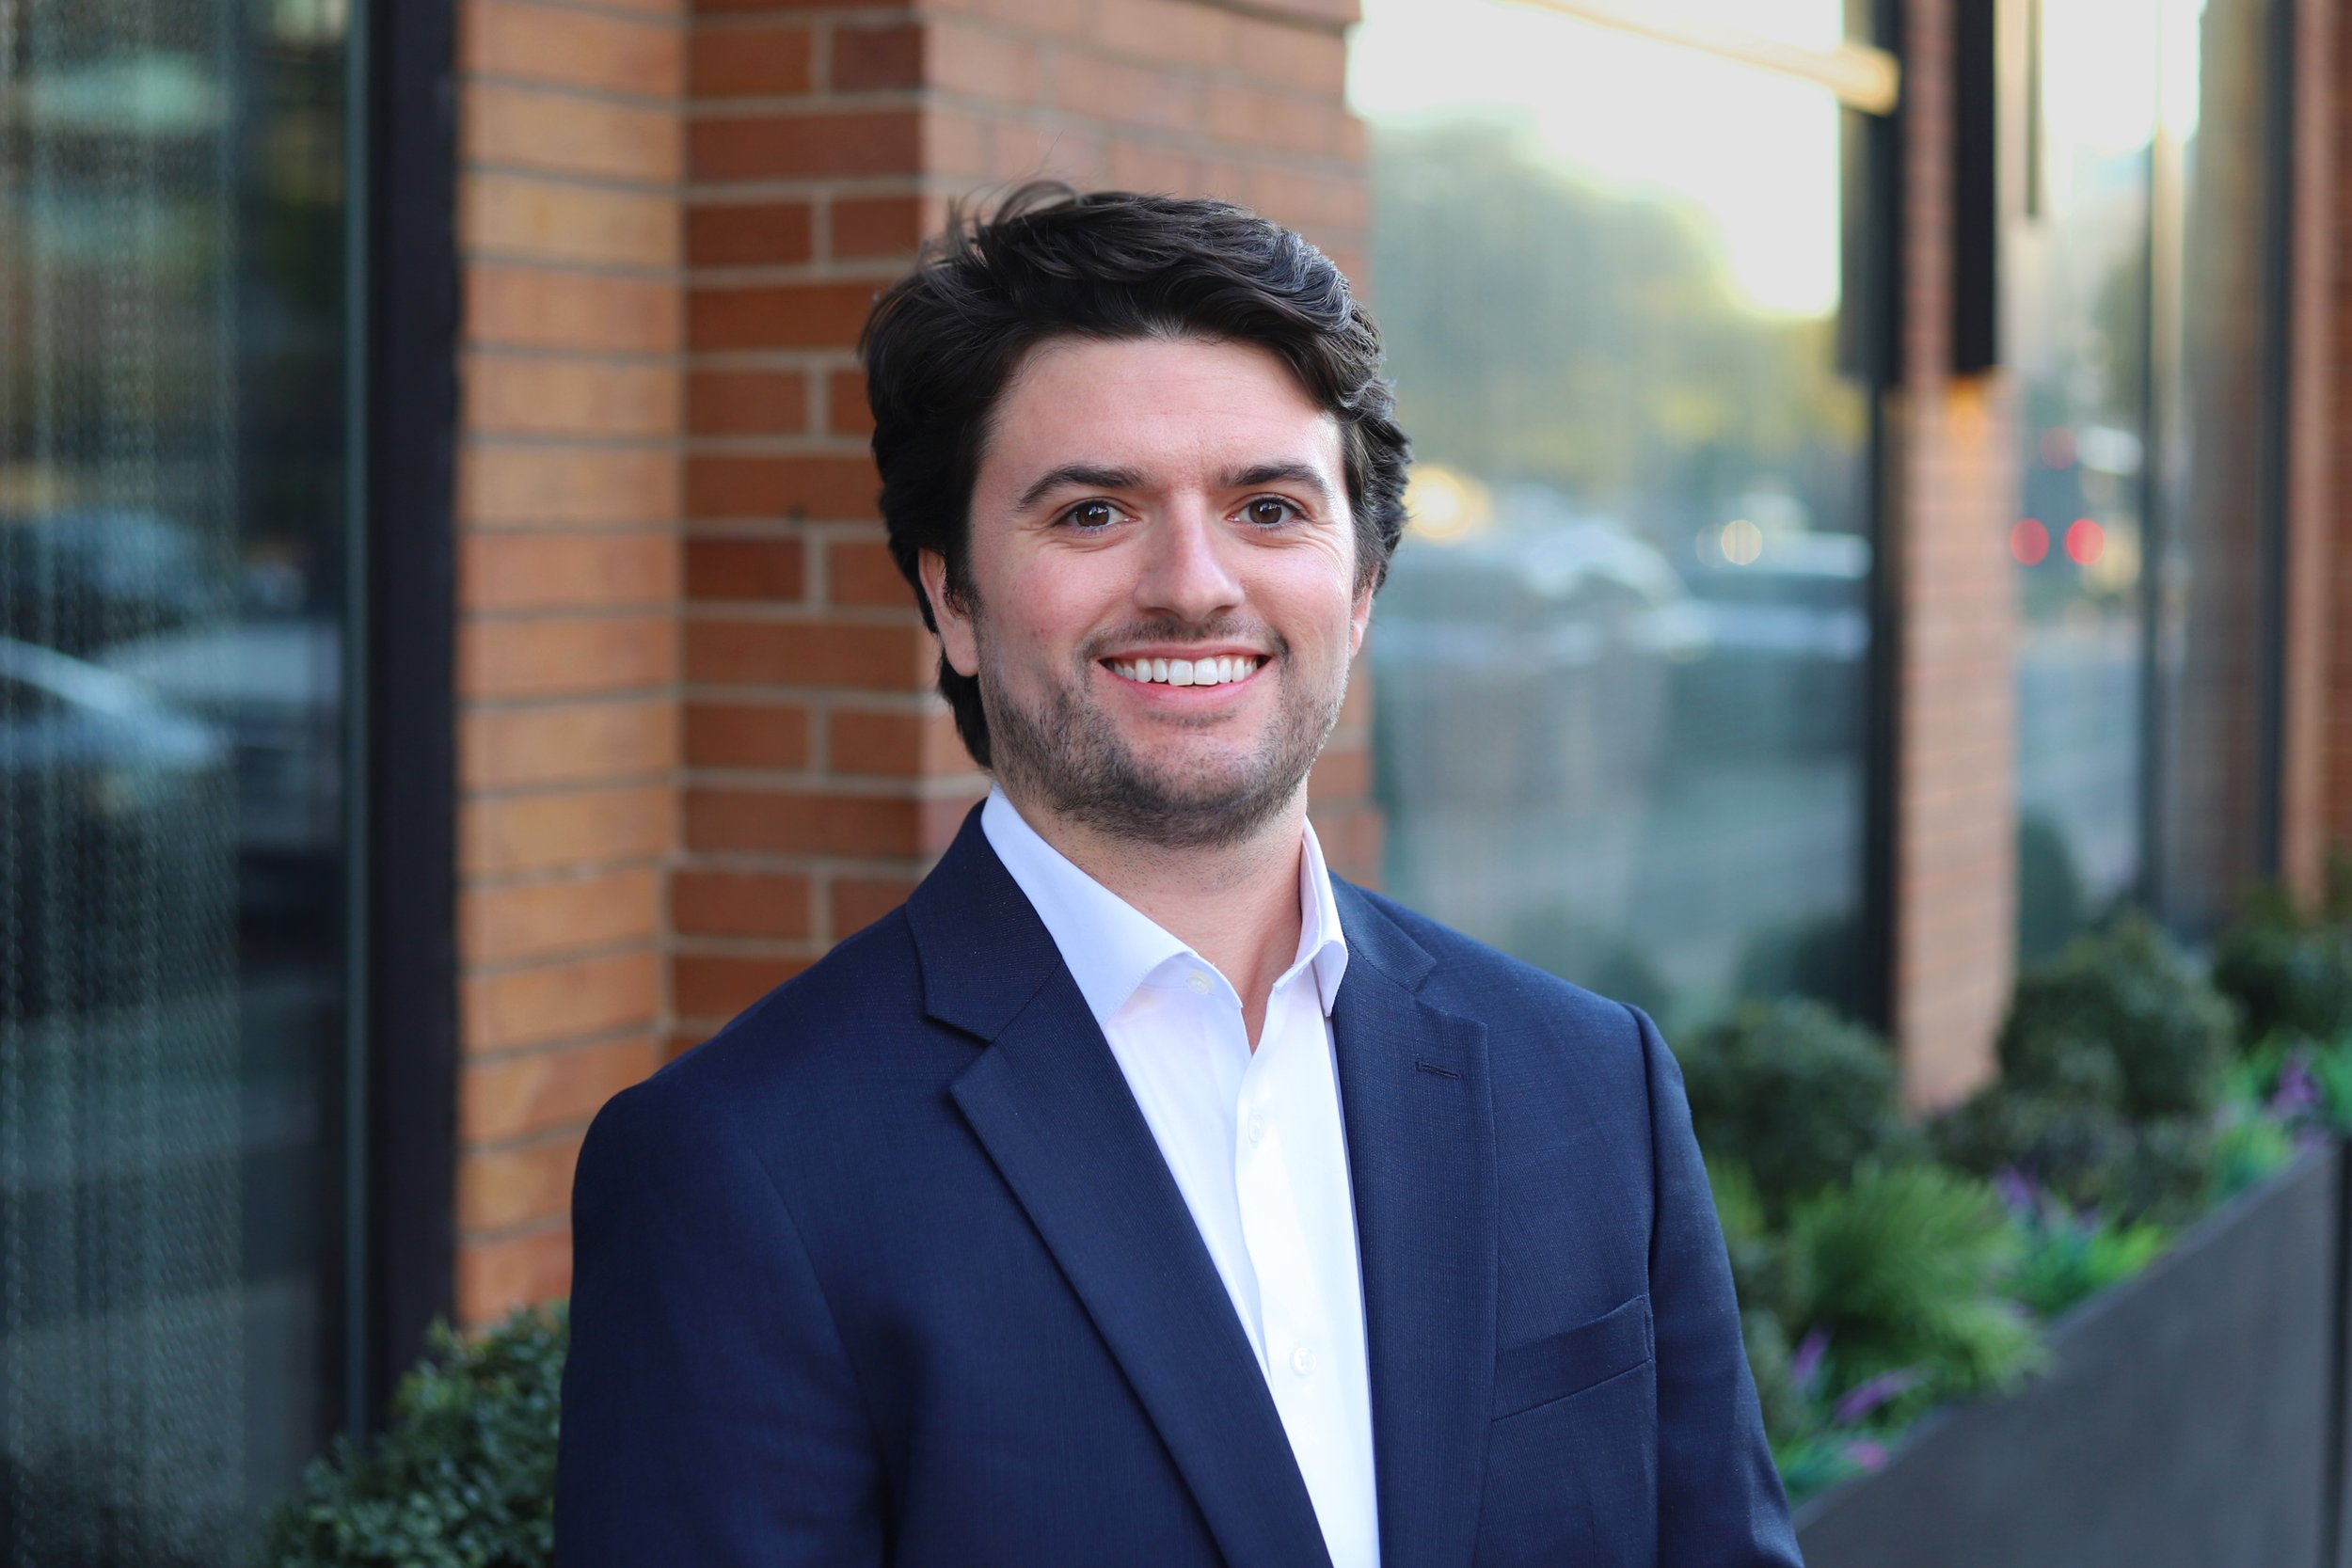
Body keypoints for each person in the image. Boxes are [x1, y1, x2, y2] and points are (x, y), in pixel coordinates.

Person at [553, 183, 1801, 1568]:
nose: (1194, 584)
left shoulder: (1590, 1085)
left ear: (1362, 587)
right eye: (1095, 513)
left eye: (1268, 507)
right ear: (953, 599)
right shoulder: (742, 1170)